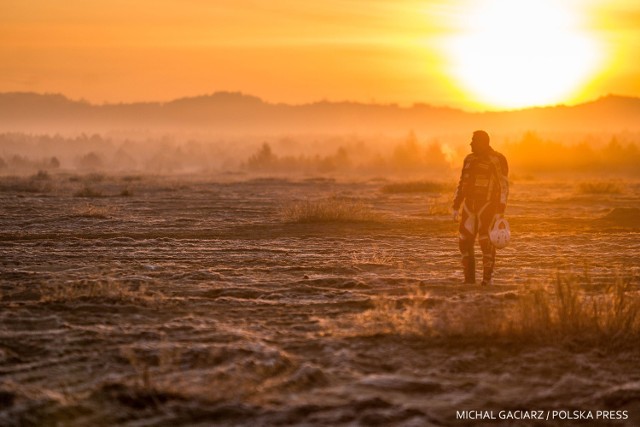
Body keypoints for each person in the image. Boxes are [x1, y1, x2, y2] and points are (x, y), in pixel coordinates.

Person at [452, 130, 509, 285]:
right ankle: (469, 280)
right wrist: (456, 205)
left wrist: (500, 211)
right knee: (464, 241)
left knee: (486, 241)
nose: (470, 144)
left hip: (488, 206)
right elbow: (462, 182)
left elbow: (504, 185)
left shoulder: (497, 159)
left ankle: (486, 280)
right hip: (469, 207)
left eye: (473, 141)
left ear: (483, 143)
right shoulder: (468, 159)